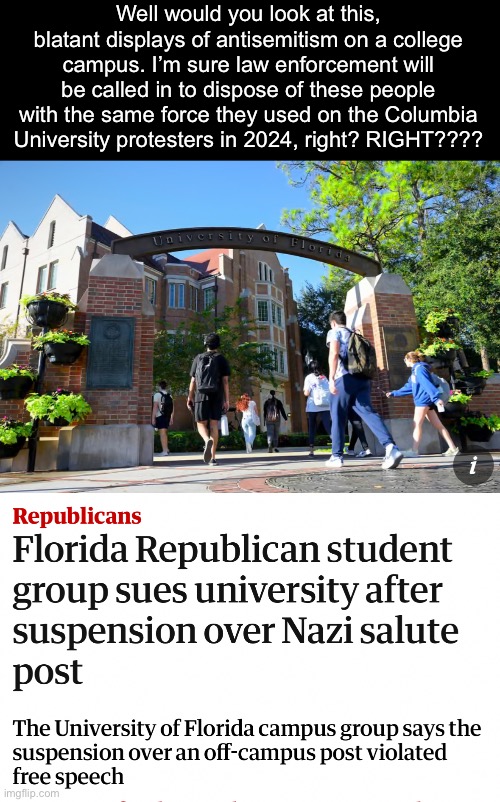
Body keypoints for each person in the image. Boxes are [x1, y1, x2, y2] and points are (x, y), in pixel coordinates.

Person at [326, 310, 403, 469]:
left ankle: (336, 456)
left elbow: (333, 354)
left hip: (344, 379)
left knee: (337, 415)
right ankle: (391, 447)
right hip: (363, 378)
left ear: (333, 322)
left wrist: (331, 378)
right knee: (368, 412)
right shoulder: (355, 334)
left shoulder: (334, 332)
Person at [386, 351, 460, 457]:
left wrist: (435, 398)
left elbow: (427, 384)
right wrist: (394, 393)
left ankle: (414, 450)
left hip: (423, 400)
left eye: (405, 359)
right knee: (438, 425)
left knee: (416, 424)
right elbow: (409, 387)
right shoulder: (416, 371)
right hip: (425, 400)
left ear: (409, 359)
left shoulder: (419, 369)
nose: (404, 362)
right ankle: (453, 448)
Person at [187, 333, 230, 466]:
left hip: (201, 394)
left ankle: (206, 441)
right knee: (213, 425)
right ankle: (213, 458)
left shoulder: (198, 358)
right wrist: (227, 399)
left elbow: (193, 380)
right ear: (218, 344)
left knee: (201, 424)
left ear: (205, 344)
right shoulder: (221, 359)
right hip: (216, 395)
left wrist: (190, 397)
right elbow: (225, 381)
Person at [303, 360, 331, 457]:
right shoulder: (324, 377)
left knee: (312, 427)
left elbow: (306, 393)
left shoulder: (309, 378)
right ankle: (337, 447)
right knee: (328, 426)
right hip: (326, 405)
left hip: (313, 406)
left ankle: (311, 450)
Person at [152, 380, 173, 456]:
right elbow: (172, 408)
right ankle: (166, 449)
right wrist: (171, 418)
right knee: (165, 433)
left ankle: (164, 451)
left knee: (162, 433)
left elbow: (155, 407)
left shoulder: (157, 395)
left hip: (160, 416)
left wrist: (153, 418)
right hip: (167, 416)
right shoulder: (169, 395)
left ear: (159, 386)